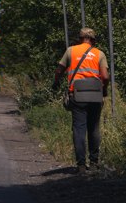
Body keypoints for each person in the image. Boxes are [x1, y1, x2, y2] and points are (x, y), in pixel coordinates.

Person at [53, 27, 110, 173]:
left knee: (79, 129)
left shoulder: (71, 51)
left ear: (80, 38)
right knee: (94, 128)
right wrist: (103, 90)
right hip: (96, 95)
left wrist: (56, 83)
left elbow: (59, 70)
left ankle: (81, 165)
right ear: (93, 40)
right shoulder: (99, 53)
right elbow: (105, 76)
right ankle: (94, 163)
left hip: (77, 95)